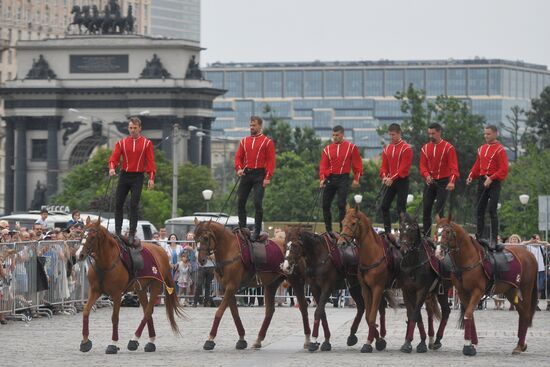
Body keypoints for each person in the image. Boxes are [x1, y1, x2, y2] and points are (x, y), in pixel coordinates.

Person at [108, 116, 156, 245]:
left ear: (140, 128)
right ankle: (118, 231)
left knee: (134, 205)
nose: (132, 130)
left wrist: (151, 178)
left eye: (135, 128)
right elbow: (114, 158)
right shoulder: (122, 142)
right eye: (130, 128)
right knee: (118, 203)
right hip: (124, 175)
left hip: (138, 177)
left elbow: (151, 162)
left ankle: (131, 233)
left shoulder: (147, 143)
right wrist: (112, 168)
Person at [234, 116, 276, 240]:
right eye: (250, 125)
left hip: (260, 175)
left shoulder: (267, 142)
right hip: (246, 173)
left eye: (254, 125)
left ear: (260, 126)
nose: (251, 128)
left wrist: (268, 176)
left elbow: (271, 161)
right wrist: (239, 169)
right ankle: (242, 227)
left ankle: (257, 230)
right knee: (241, 200)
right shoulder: (244, 141)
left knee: (257, 202)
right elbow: (238, 157)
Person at [466, 125, 508, 249]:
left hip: (494, 182)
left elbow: (504, 169)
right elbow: (477, 165)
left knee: (492, 210)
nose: (486, 136)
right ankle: (479, 237)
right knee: (479, 209)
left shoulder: (500, 150)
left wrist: (492, 178)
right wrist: (471, 176)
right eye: (485, 134)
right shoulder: (481, 149)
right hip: (482, 180)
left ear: (495, 134)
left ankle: (494, 239)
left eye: (488, 134)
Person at [319, 125, 363, 235]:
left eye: (337, 135)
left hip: (343, 177)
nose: (335, 137)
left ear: (342, 134)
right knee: (325, 204)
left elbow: (357, 164)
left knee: (341, 204)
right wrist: (322, 179)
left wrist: (356, 179)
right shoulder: (327, 149)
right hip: (330, 178)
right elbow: (323, 166)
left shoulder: (351, 147)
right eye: (333, 135)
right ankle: (328, 230)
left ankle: (341, 229)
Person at [420, 123, 459, 237]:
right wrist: (426, 175)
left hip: (443, 182)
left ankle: (441, 236)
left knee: (439, 210)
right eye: (429, 133)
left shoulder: (448, 148)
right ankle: (426, 236)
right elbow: (422, 166)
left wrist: (452, 181)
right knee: (426, 208)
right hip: (430, 181)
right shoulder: (425, 148)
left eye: (433, 133)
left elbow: (454, 167)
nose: (431, 136)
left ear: (439, 132)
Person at [379, 123, 413, 235]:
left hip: (401, 181)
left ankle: (403, 232)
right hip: (390, 181)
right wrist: (384, 176)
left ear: (399, 133)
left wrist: (391, 178)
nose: (391, 137)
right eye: (390, 135)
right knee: (384, 205)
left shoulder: (406, 148)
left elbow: (403, 168)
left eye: (393, 135)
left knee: (400, 208)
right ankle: (388, 232)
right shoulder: (387, 148)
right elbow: (384, 166)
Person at [525, 234, 547, 311]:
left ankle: (536, 302)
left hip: (541, 269)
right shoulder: (529, 246)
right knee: (531, 287)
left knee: (540, 287)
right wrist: (530, 241)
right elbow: (522, 244)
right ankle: (531, 302)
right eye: (535, 238)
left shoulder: (541, 246)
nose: (536, 240)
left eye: (537, 238)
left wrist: (539, 242)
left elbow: (547, 243)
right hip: (531, 270)